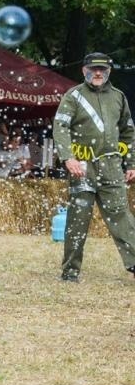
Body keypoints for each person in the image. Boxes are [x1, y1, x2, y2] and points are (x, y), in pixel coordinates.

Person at [52, 51, 135, 282]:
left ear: (109, 71)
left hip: (112, 168)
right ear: (84, 70)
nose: (97, 73)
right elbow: (60, 127)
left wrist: (132, 163)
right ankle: (70, 272)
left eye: (102, 70)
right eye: (93, 69)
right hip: (82, 167)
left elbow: (128, 131)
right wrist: (68, 158)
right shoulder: (74, 96)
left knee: (123, 218)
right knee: (78, 220)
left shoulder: (119, 97)